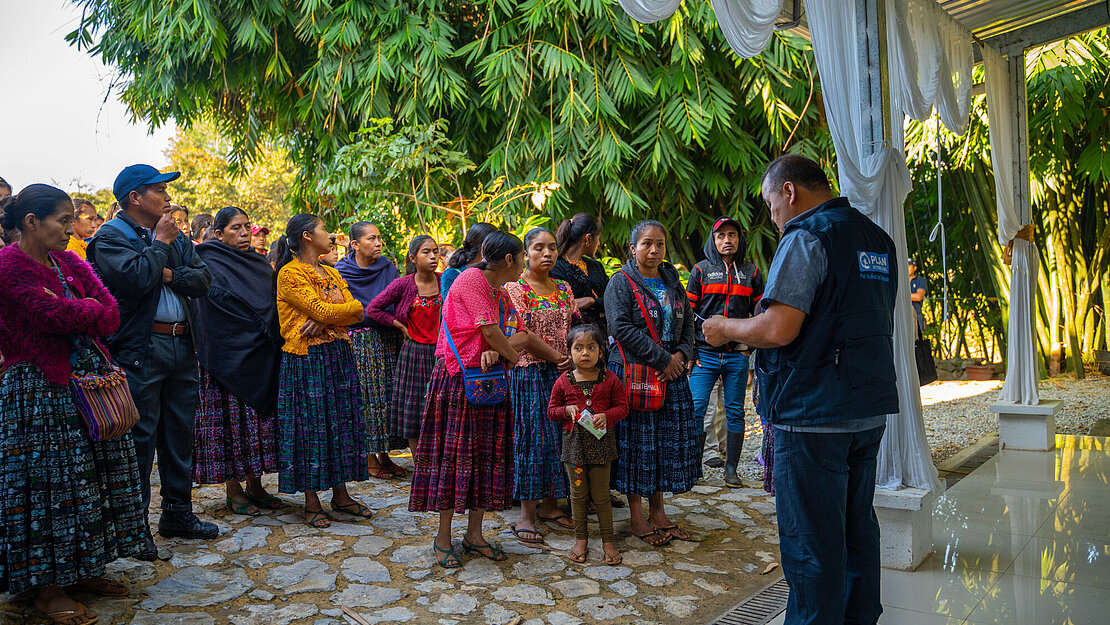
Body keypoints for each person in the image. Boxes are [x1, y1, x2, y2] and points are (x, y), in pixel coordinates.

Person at [702, 154, 898, 625]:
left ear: (789, 191)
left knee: (811, 542)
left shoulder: (807, 236)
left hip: (812, 412)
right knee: (857, 532)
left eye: (771, 204)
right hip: (866, 407)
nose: (772, 217)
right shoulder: (877, 238)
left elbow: (778, 328)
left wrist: (724, 326)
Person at [0, 185, 145, 625]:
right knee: (48, 486)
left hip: (83, 385)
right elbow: (52, 318)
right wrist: (76, 306)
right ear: (30, 222)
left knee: (89, 479)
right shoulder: (8, 268)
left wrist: (71, 305)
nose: (69, 229)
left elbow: (110, 312)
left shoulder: (67, 262)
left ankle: (80, 570)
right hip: (37, 391)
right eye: (62, 221)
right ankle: (47, 588)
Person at [87, 164, 217, 560]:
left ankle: (178, 513)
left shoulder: (172, 236)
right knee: (139, 441)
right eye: (158, 190)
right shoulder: (110, 237)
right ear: (135, 198)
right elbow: (136, 279)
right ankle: (134, 528)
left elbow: (202, 281)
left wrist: (165, 270)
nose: (166, 197)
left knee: (180, 436)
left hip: (182, 346)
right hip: (140, 350)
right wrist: (160, 247)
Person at [410, 231, 551, 568]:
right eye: (522, 258)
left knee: (485, 461)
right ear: (508, 260)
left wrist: (499, 348)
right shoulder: (472, 280)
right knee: (454, 460)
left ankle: (474, 534)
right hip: (459, 384)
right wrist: (509, 354)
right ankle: (443, 537)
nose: (523, 265)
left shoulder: (501, 292)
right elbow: (492, 332)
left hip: (489, 384)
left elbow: (519, 332)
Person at [274, 213, 373, 527]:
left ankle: (341, 494)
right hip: (306, 358)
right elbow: (325, 308)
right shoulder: (290, 274)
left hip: (337, 353)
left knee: (341, 424)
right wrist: (334, 313)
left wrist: (330, 316)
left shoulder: (331, 271)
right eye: (324, 229)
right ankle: (311, 501)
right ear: (306, 236)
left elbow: (359, 310)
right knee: (311, 427)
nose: (330, 235)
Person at [604, 220, 699, 547]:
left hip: (670, 375)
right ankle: (636, 516)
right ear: (632, 248)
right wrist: (663, 360)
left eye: (659, 243)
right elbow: (621, 328)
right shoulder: (621, 282)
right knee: (636, 445)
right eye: (646, 243)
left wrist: (683, 355)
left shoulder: (672, 280)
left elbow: (689, 323)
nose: (654, 250)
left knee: (662, 444)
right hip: (635, 375)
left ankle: (658, 511)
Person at [192, 207, 284, 516]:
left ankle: (256, 486)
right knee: (232, 426)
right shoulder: (206, 261)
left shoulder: (258, 263)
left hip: (259, 356)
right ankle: (234, 491)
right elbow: (209, 309)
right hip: (224, 356)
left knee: (255, 423)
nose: (244, 233)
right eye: (235, 228)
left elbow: (270, 304)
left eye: (246, 227)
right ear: (218, 234)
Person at [504, 227, 579, 542]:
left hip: (563, 373)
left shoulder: (564, 288)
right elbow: (520, 335)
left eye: (551, 248)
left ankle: (551, 504)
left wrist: (573, 359)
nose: (547, 254)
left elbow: (574, 326)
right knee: (533, 441)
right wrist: (558, 357)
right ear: (525, 253)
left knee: (561, 439)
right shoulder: (515, 288)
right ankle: (527, 514)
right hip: (531, 372)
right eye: (538, 248)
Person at [686, 216, 763, 486]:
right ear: (713, 240)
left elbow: (760, 313)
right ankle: (693, 468)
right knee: (695, 408)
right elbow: (687, 313)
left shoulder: (751, 272)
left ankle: (731, 470)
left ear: (739, 239)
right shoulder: (700, 271)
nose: (727, 240)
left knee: (735, 411)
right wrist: (691, 351)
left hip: (736, 355)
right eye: (721, 236)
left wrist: (748, 349)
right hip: (704, 356)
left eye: (732, 235)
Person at [547, 324, 629, 565]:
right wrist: (565, 410)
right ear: (569, 353)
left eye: (591, 348)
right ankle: (580, 539)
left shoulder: (610, 379)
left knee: (602, 496)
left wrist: (608, 416)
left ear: (601, 352)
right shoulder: (563, 381)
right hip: (575, 450)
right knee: (579, 494)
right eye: (578, 348)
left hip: (602, 448)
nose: (585, 353)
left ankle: (608, 541)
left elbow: (623, 407)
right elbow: (551, 411)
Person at [335, 221, 407, 479]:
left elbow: (395, 301)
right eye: (371, 239)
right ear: (355, 245)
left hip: (388, 338)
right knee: (366, 398)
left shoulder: (388, 267)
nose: (378, 243)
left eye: (379, 238)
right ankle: (367, 457)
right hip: (359, 342)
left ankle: (385, 455)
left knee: (387, 399)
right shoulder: (341, 271)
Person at [366, 235, 441, 453]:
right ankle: (419, 467)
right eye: (426, 252)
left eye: (435, 251)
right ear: (413, 258)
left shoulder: (446, 280)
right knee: (414, 409)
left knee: (440, 407)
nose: (433, 256)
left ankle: (438, 463)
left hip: (441, 354)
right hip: (414, 353)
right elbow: (373, 309)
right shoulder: (404, 284)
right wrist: (398, 324)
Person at [551, 213, 609, 328]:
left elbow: (612, 300)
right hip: (571, 336)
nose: (598, 243)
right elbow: (560, 306)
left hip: (600, 337)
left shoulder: (596, 266)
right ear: (588, 238)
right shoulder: (555, 267)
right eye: (598, 238)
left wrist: (590, 301)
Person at [441, 221, 497, 297]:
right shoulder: (452, 274)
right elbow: (449, 306)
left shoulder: (496, 272)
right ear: (484, 245)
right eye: (496, 243)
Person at [908, 258, 927, 334]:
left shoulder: (920, 280)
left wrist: (902, 296)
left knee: (916, 340)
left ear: (914, 268)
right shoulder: (900, 280)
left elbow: (918, 297)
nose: (907, 268)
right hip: (902, 313)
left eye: (909, 266)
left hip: (916, 314)